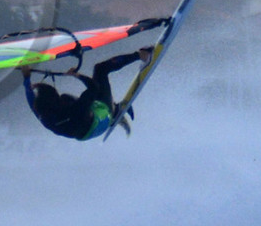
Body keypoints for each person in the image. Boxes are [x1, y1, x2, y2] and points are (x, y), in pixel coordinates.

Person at [21, 19, 167, 141]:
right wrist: (77, 76)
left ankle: (114, 110)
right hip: (99, 122)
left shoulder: (44, 114)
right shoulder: (74, 110)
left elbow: (30, 98)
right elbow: (93, 88)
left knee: (70, 98)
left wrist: (27, 79)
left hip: (84, 130)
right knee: (100, 70)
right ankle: (142, 56)